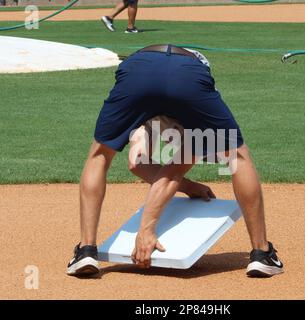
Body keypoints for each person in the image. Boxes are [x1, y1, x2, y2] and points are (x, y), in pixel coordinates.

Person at [66, 44, 284, 278]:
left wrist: (187, 186)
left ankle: (86, 250)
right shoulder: (195, 88)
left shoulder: (146, 118)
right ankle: (262, 254)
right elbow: (173, 171)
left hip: (138, 71)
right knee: (237, 156)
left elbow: (136, 162)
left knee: (99, 155)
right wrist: (147, 229)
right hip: (187, 76)